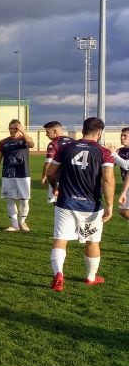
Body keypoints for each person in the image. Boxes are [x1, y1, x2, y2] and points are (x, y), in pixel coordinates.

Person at [47, 116, 114, 291]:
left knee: (60, 240)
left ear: (83, 129)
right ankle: (91, 277)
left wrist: (56, 188)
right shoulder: (103, 152)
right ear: (99, 132)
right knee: (92, 242)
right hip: (91, 205)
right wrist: (110, 205)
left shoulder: (66, 148)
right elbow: (107, 179)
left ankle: (58, 274)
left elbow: (51, 173)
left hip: (66, 202)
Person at [0, 118, 35, 232]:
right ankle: (14, 224)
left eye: (16, 128)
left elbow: (32, 144)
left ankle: (22, 222)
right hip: (8, 175)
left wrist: (23, 132)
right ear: (8, 129)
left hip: (23, 174)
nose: (13, 130)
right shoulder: (3, 142)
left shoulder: (24, 140)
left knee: (24, 200)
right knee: (10, 199)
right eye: (11, 128)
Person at [40, 121, 74, 205]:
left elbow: (49, 162)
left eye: (47, 132)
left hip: (58, 178)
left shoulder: (54, 144)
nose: (46, 135)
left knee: (57, 204)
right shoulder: (73, 141)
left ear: (54, 131)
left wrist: (44, 176)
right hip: (73, 178)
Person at [119, 127, 129, 220]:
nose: (122, 137)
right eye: (121, 135)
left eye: (125, 136)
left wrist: (114, 155)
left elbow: (126, 165)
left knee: (125, 212)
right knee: (123, 212)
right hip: (127, 185)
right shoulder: (121, 151)